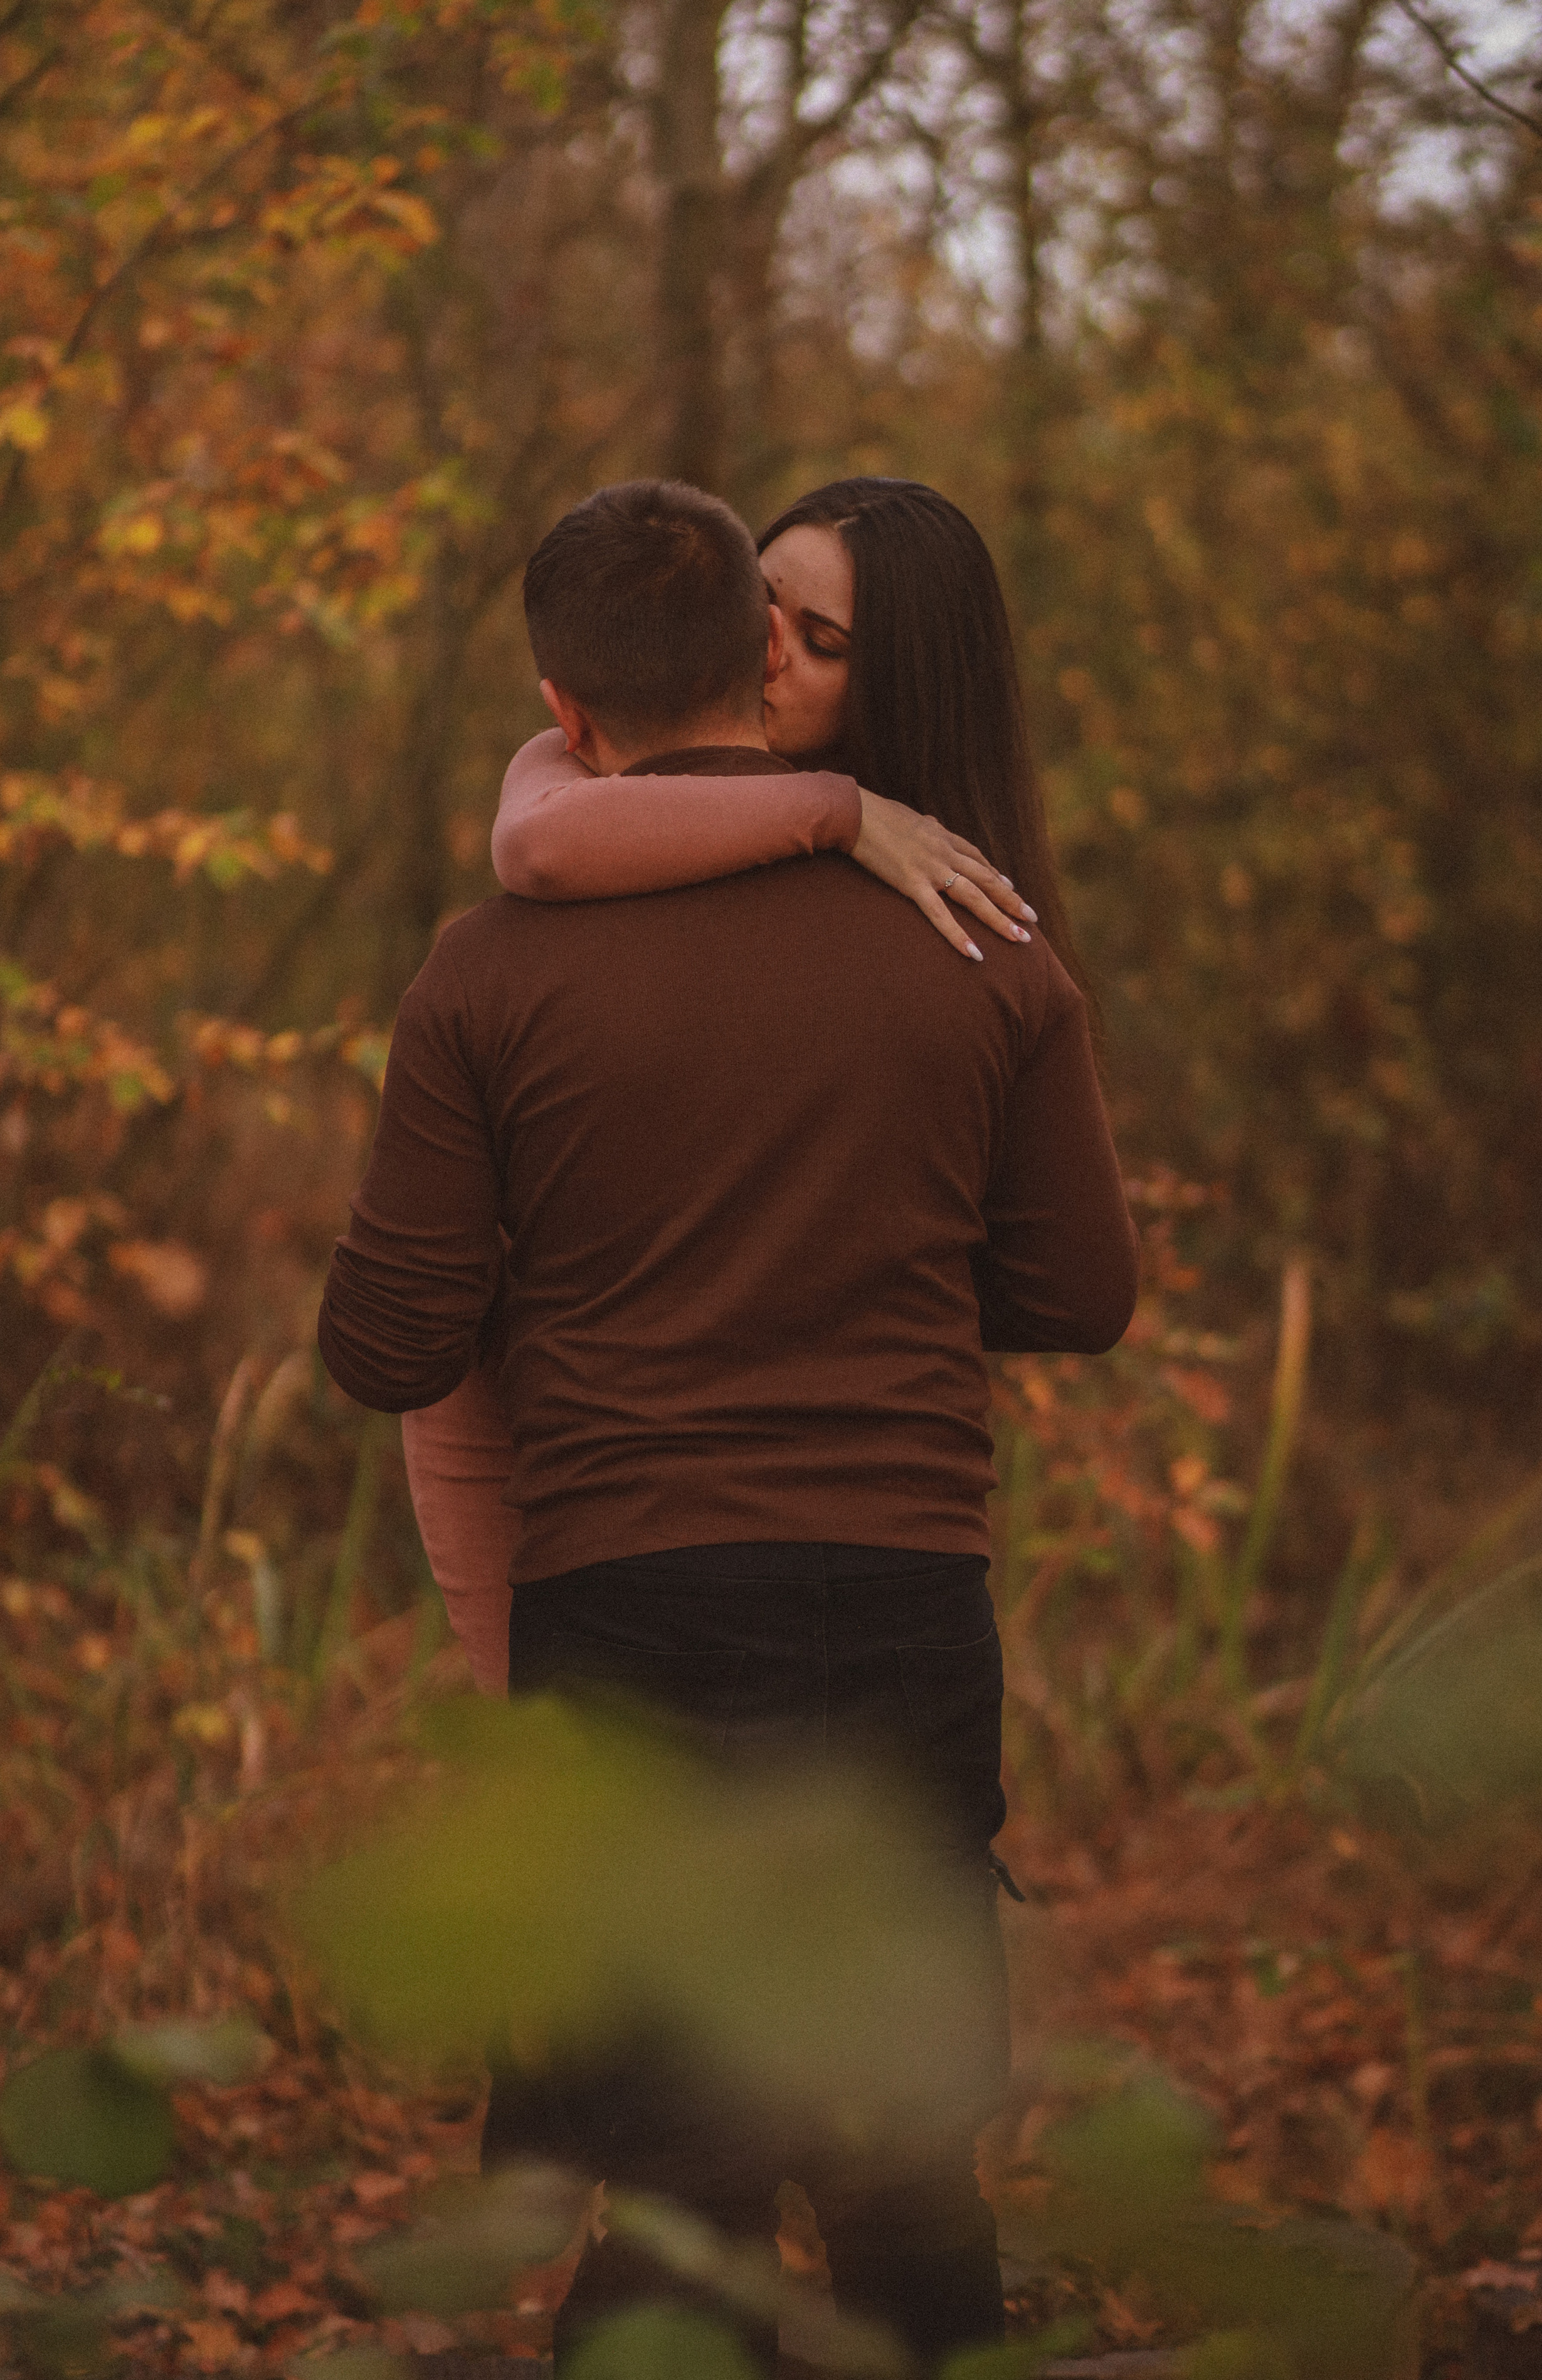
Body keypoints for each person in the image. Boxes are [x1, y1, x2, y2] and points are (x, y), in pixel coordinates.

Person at [319, 477, 1139, 2380]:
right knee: (903, 2167)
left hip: (636, 1608)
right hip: (902, 1601)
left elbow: (386, 1344)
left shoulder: (488, 971)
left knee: (677, 2172)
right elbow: (1083, 1293)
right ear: (738, 657)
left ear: (573, 692)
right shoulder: (990, 955)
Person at [404, 476, 1097, 1694]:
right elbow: (533, 840)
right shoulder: (578, 816)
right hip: (563, 1527)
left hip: (815, 1562)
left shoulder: (967, 943)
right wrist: (830, 811)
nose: (764, 656)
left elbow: (1076, 1281)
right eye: (758, 609)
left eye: (819, 645)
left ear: (904, 693)